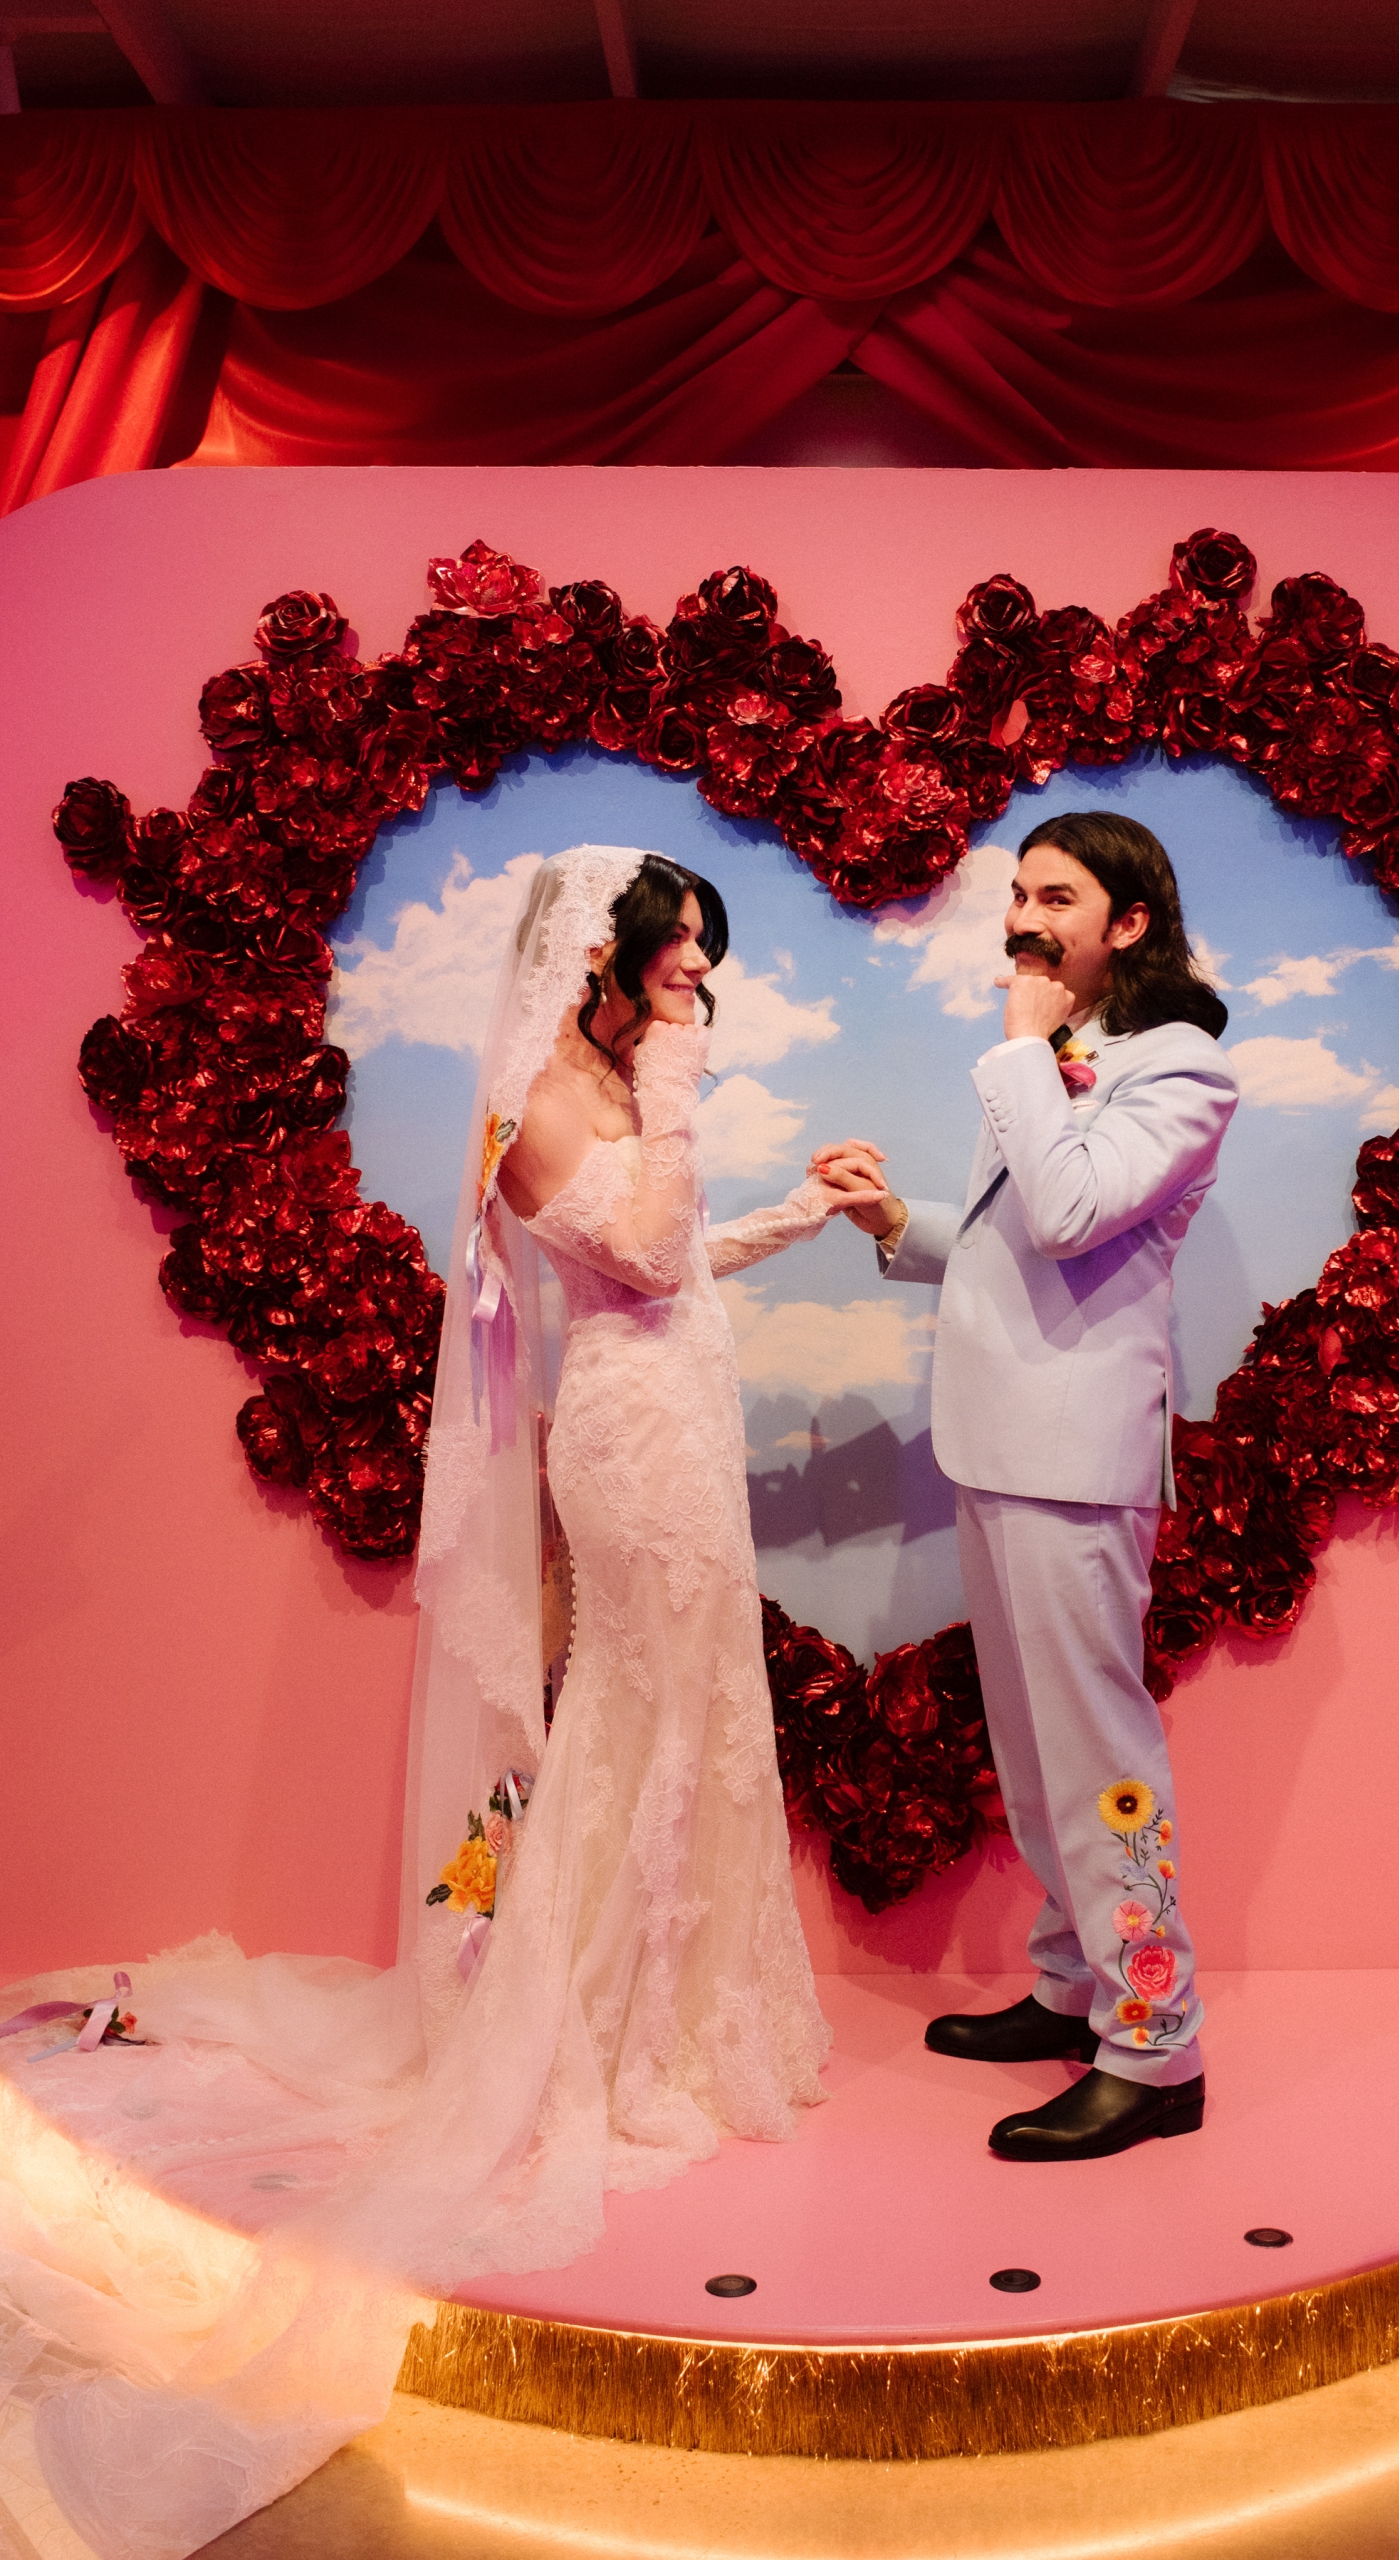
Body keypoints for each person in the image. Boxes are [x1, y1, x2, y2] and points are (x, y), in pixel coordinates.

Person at [1, 843, 889, 2557]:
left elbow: (688, 1257)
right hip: (630, 1449)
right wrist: (688, 1090)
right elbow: (631, 1259)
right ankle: (601, 2041)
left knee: (702, 1716)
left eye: (705, 955)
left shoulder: (612, 1085)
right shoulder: (539, 1098)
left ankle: (681, 2018)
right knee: (638, 1713)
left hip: (685, 1422)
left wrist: (813, 1209)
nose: (695, 977)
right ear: (605, 961)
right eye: (676, 953)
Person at [815, 812, 1236, 2165]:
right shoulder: (1071, 1061)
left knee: (1097, 1755)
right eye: (1015, 893)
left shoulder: (1180, 1072)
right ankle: (1073, 1987)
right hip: (997, 1447)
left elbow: (1065, 1213)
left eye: (1054, 894)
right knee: (1035, 1749)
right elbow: (1016, 1244)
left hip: (1071, 1461)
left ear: (1127, 923)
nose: (1022, 915)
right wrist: (895, 1224)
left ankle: (1154, 2049)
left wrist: (1012, 1045)